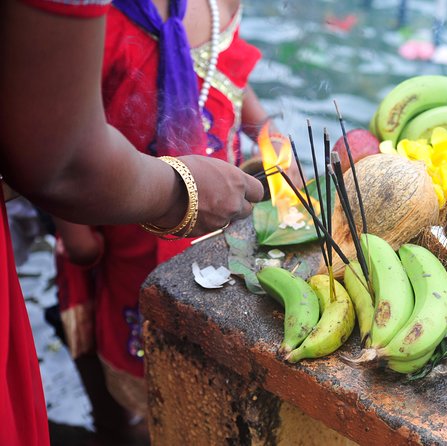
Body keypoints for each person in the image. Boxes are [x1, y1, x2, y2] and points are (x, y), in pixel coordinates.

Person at [0, 0, 265, 444]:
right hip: (119, 221)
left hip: (209, 218)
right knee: (131, 339)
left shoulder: (215, 8)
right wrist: (77, 233)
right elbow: (58, 162)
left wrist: (265, 127)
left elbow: (229, 64)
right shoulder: (98, 24)